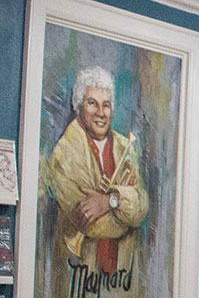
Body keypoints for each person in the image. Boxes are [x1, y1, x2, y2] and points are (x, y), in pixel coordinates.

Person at [47, 65, 149, 274]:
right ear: (78, 107)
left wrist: (109, 200)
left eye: (107, 105)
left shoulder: (125, 146)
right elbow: (92, 224)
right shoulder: (64, 153)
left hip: (123, 274)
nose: (101, 113)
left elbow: (143, 205)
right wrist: (127, 211)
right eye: (92, 104)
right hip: (79, 273)